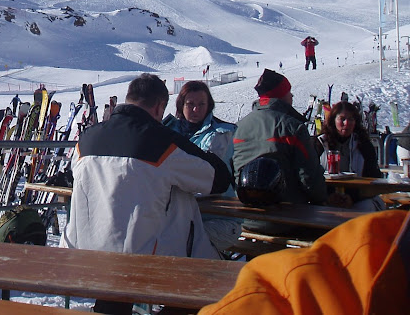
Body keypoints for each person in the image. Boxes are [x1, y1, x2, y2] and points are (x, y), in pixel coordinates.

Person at [62, 73, 231, 315]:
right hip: (147, 260)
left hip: (88, 252)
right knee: (199, 290)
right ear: (159, 106)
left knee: (114, 294)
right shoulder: (161, 141)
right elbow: (217, 178)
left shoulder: (87, 140)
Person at [197, 209, 410, 315]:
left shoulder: (375, 251)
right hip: (266, 222)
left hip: (248, 221)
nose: (346, 124)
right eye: (342, 119)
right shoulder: (379, 256)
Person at [233, 69, 326, 233]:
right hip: (286, 218)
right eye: (289, 92)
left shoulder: (238, 128)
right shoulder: (293, 127)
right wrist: (325, 199)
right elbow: (309, 178)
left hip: (246, 218)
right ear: (281, 96)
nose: (291, 97)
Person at [163, 81, 240, 253]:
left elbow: (201, 176)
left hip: (215, 217)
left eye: (201, 104)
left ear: (209, 106)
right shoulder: (165, 131)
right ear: (181, 105)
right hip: (176, 217)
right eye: (190, 104)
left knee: (178, 244)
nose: (196, 110)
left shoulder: (222, 134)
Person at [316, 101, 384, 211]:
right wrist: (327, 197)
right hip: (326, 198)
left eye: (351, 119)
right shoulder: (320, 144)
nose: (346, 123)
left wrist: (353, 198)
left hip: (358, 199)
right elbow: (311, 177)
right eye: (342, 119)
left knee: (366, 208)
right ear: (334, 120)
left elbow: (373, 179)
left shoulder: (364, 146)